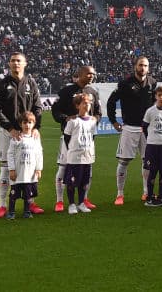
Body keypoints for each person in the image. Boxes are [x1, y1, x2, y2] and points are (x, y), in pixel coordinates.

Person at [0, 51, 43, 219]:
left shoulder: (31, 83)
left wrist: (36, 127)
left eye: (19, 61)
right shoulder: (1, 84)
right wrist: (9, 128)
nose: (15, 63)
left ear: (25, 63)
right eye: (13, 61)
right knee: (6, 169)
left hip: (29, 132)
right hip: (8, 133)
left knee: (31, 167)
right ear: (9, 63)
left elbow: (38, 108)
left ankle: (31, 203)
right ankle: (2, 205)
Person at [106, 55, 157, 205]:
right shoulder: (125, 84)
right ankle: (120, 194)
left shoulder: (153, 83)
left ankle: (146, 192)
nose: (143, 68)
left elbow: (155, 104)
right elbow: (111, 102)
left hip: (147, 129)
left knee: (147, 161)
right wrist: (113, 121)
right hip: (129, 128)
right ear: (135, 66)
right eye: (141, 65)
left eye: (146, 66)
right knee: (124, 161)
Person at [52, 65, 102, 212]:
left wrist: (95, 119)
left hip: (86, 138)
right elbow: (56, 111)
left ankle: (83, 199)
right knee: (63, 169)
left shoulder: (92, 92)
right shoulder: (66, 91)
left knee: (87, 169)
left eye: (93, 74)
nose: (91, 76)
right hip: (69, 138)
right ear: (80, 74)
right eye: (88, 74)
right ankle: (60, 201)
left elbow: (98, 112)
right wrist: (65, 118)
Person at [62, 92, 97, 215]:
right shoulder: (73, 121)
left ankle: (81, 202)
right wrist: (73, 149)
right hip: (74, 158)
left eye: (88, 103)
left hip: (87, 157)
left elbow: (93, 137)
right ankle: (71, 204)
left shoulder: (93, 121)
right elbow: (67, 138)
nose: (87, 105)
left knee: (84, 182)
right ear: (77, 106)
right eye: (84, 103)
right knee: (71, 182)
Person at [6, 111, 43, 220]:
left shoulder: (35, 138)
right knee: (13, 194)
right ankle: (11, 212)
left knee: (28, 195)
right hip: (18, 173)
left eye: (30, 122)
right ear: (20, 124)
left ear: (34, 124)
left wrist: (39, 169)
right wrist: (12, 169)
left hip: (30, 173)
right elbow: (10, 154)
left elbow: (39, 153)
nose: (27, 125)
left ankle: (27, 211)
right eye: (25, 122)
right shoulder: (16, 138)